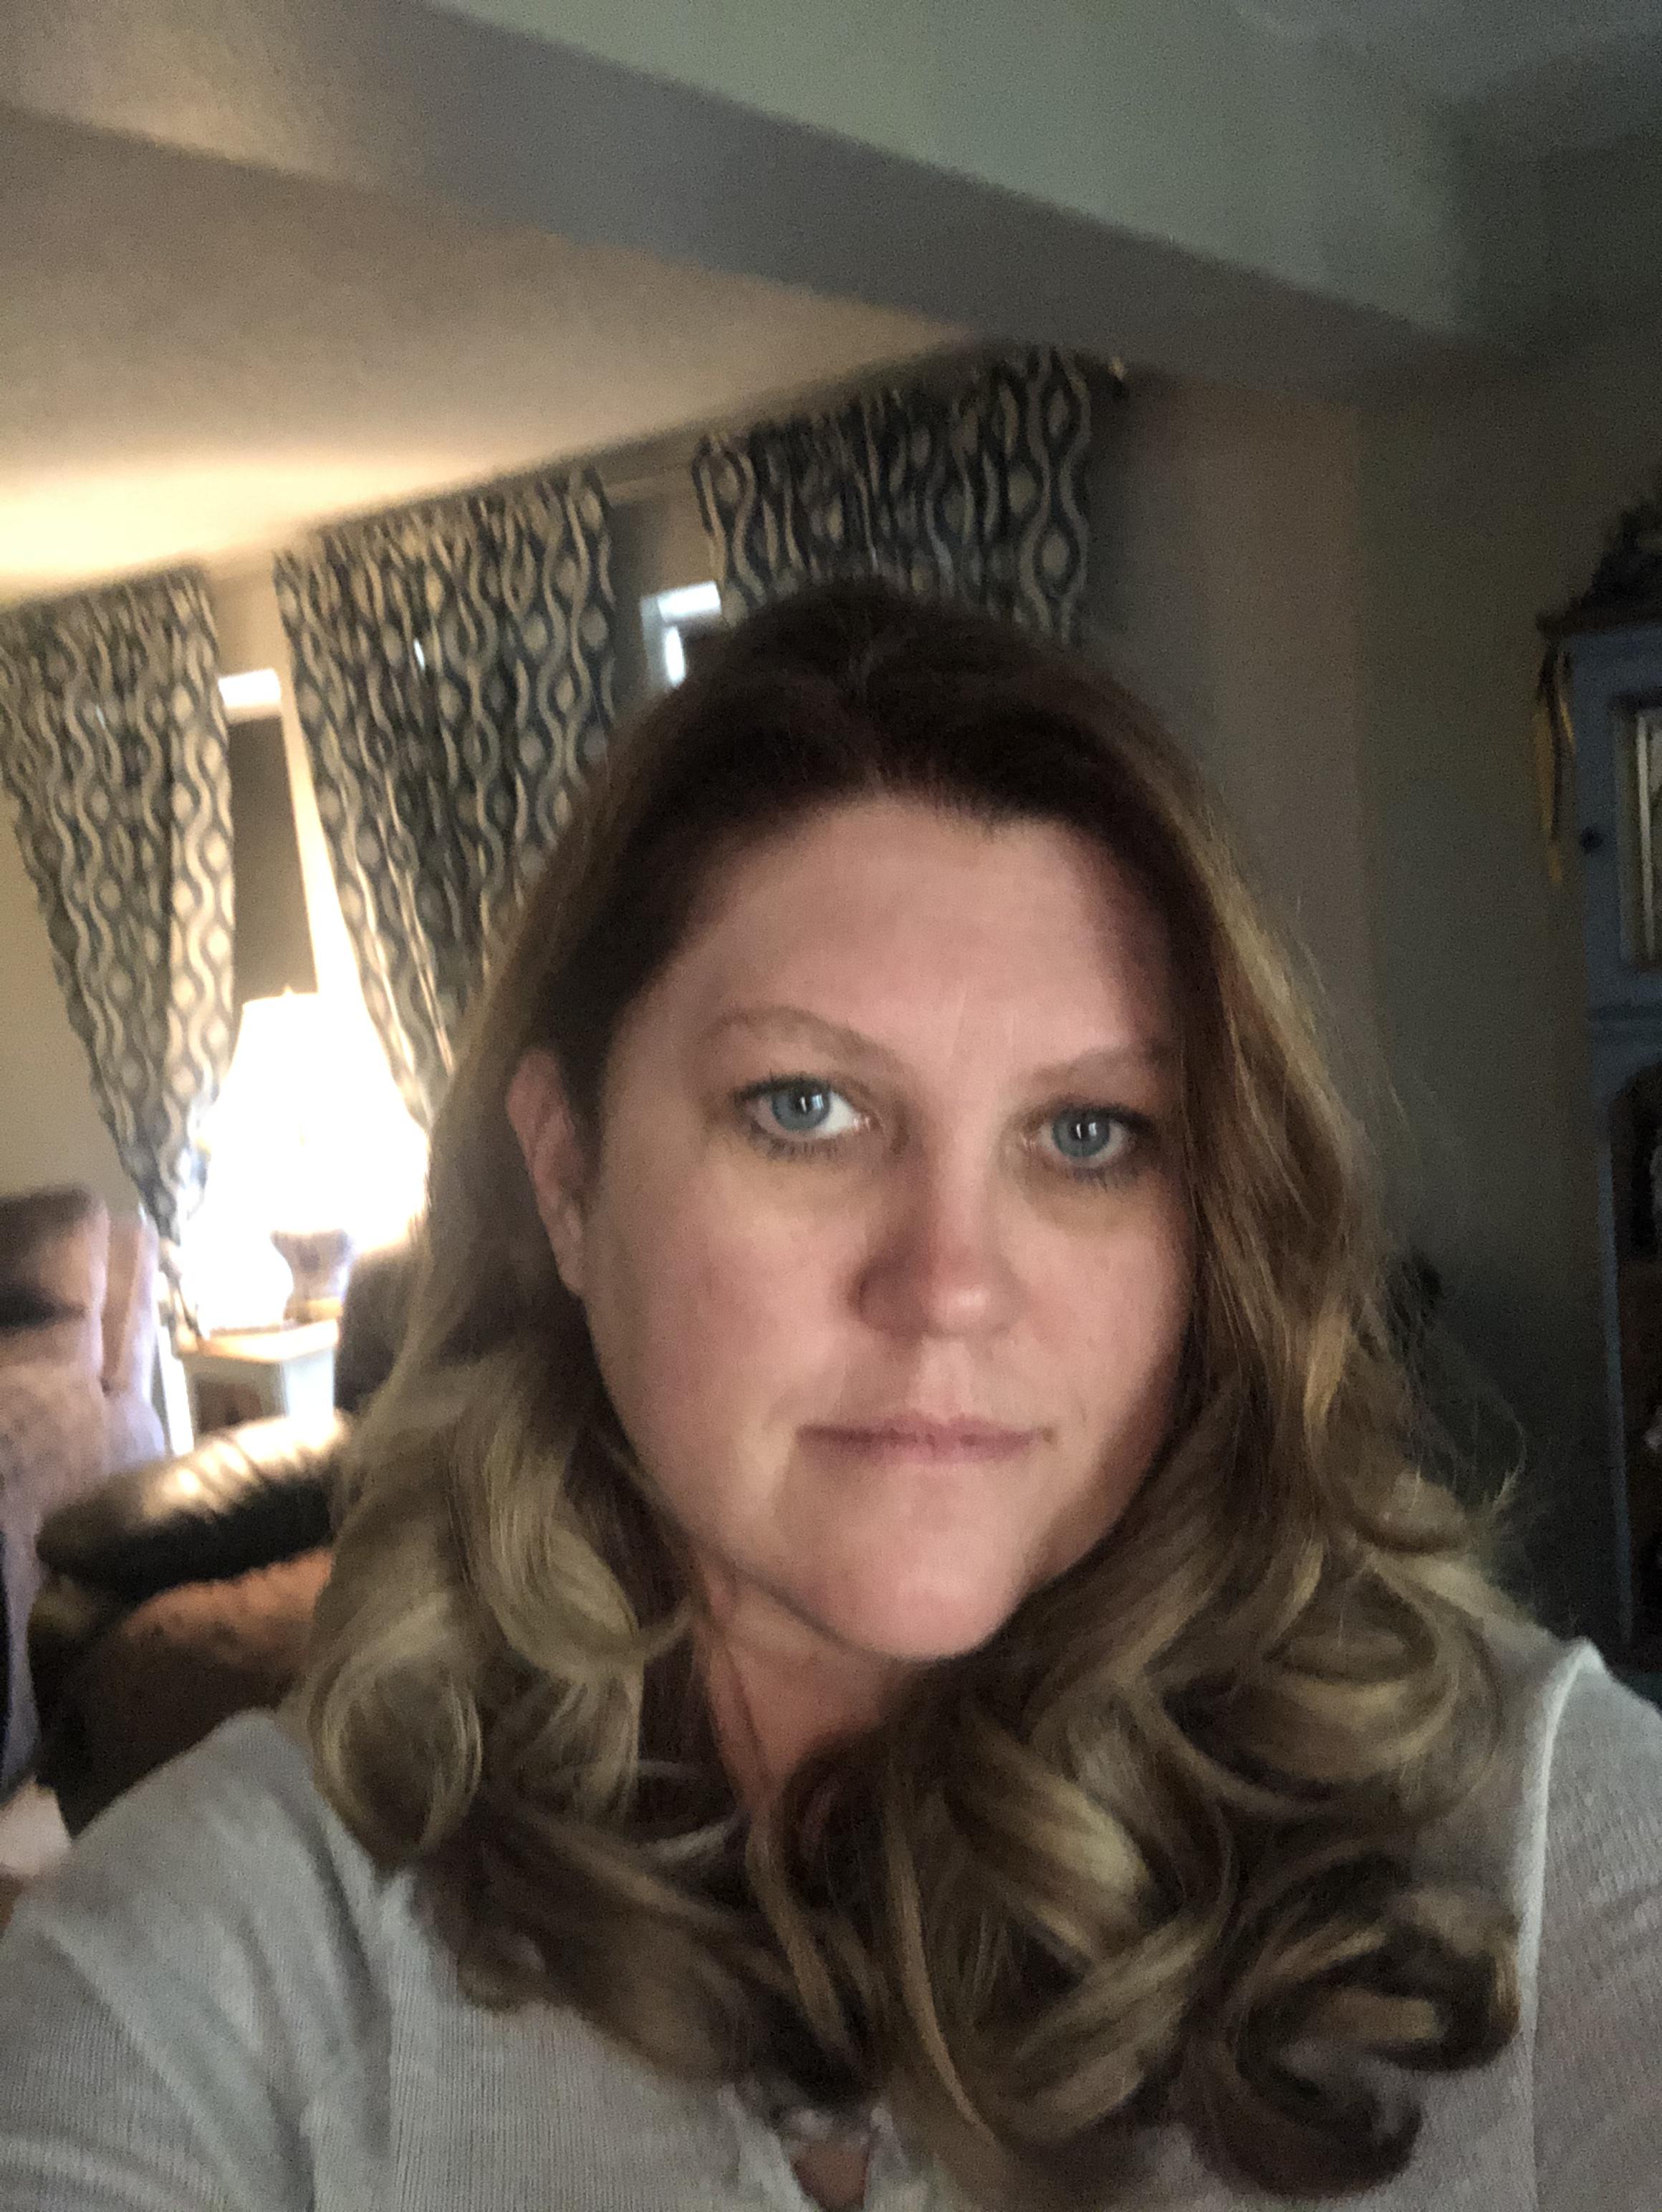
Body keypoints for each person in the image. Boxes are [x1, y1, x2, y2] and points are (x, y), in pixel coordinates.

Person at [1, 580, 1658, 2212]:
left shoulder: (1518, 1844)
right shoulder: (231, 1959)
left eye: (1086, 1134)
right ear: (565, 1174)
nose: (949, 1281)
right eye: (804, 1107)